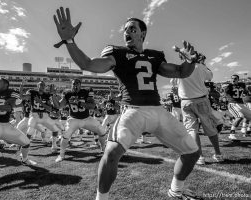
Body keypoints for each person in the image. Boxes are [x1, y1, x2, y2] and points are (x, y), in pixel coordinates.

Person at [53, 7, 202, 200]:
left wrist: (190, 61)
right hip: (133, 111)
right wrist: (69, 41)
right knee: (112, 152)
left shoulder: (155, 56)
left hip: (158, 111)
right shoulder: (118, 53)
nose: (127, 32)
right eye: (125, 30)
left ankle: (176, 190)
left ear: (143, 33)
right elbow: (88, 64)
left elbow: (181, 72)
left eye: (132, 28)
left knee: (192, 152)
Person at [177, 54, 223, 165]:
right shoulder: (199, 66)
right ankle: (218, 154)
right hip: (201, 100)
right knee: (210, 127)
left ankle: (200, 157)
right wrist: (203, 64)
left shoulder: (179, 67)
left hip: (186, 101)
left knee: (192, 130)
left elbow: (173, 83)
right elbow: (210, 76)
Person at [54, 79, 107, 162]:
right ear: (71, 85)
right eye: (73, 84)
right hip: (73, 119)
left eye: (77, 84)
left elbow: (92, 106)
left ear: (80, 85)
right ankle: (61, 155)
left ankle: (104, 149)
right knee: (65, 136)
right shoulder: (68, 94)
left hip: (86, 118)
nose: (75, 85)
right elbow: (59, 106)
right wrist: (53, 95)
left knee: (102, 131)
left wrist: (79, 103)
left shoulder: (85, 92)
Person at [224, 74, 251, 140]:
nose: (233, 79)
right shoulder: (229, 86)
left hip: (241, 104)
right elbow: (225, 92)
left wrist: (245, 91)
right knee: (239, 116)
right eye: (232, 78)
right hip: (233, 104)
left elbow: (245, 91)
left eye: (235, 78)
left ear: (238, 79)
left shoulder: (242, 84)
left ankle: (246, 130)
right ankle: (231, 134)